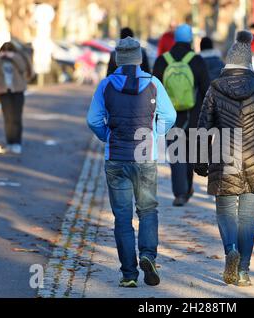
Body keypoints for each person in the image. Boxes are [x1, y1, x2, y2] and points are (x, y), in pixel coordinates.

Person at [194, 31, 254, 287]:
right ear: (247, 63)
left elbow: (203, 128)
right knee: (246, 216)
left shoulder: (215, 88)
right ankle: (243, 271)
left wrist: (200, 162)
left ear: (228, 62)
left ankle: (230, 250)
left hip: (225, 157)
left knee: (225, 212)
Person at [87, 37, 176, 288]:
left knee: (122, 218)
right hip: (145, 156)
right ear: (138, 58)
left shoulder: (105, 85)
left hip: (116, 157)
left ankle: (128, 274)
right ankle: (148, 256)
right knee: (148, 210)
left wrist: (107, 136)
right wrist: (155, 135)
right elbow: (169, 116)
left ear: (117, 59)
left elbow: (93, 120)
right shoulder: (154, 84)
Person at [153, 24, 210, 207]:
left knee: (176, 154)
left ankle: (180, 193)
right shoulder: (197, 61)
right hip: (193, 115)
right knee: (191, 153)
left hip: (170, 115)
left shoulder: (163, 60)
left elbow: (154, 89)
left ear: (175, 39)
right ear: (190, 40)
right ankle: (188, 188)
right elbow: (206, 88)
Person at [0, 42, 32, 154]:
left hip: (17, 91)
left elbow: (23, 68)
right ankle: (10, 142)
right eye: (4, 50)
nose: (6, 52)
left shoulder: (18, 57)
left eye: (9, 50)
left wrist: (13, 56)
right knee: (8, 118)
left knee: (16, 118)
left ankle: (17, 143)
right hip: (4, 92)